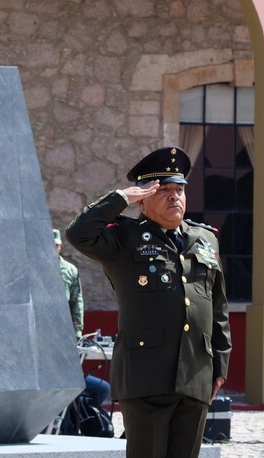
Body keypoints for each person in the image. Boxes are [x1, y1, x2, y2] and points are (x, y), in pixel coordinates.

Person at [66, 146, 232, 458]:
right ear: (142, 200)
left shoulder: (205, 239)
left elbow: (218, 305)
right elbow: (78, 233)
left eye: (179, 189)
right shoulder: (124, 238)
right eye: (164, 190)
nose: (174, 197)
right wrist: (121, 198)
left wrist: (219, 366)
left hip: (196, 374)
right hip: (146, 377)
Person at [53, 228, 111, 428]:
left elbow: (77, 302)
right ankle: (67, 426)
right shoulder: (36, 268)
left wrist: (78, 332)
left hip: (64, 337)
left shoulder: (69, 271)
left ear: (60, 247)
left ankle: (78, 423)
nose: (52, 249)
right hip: (43, 337)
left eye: (55, 245)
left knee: (90, 387)